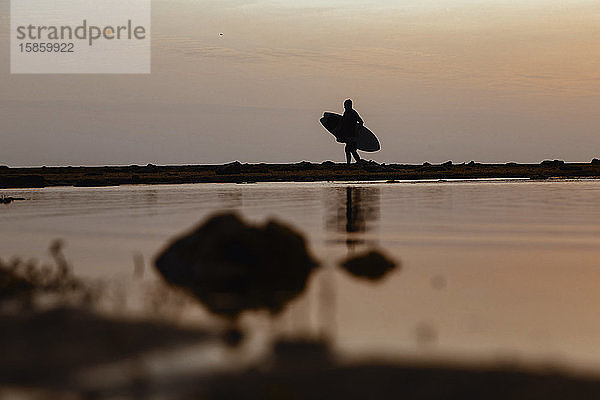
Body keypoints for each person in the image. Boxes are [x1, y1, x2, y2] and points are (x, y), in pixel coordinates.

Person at [338, 99, 364, 164]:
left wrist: (357, 131)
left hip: (352, 135)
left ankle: (356, 163)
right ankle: (353, 163)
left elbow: (361, 122)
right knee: (349, 150)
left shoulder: (353, 113)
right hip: (347, 134)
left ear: (349, 105)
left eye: (345, 105)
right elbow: (343, 123)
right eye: (344, 105)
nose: (344, 107)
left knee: (350, 150)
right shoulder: (346, 113)